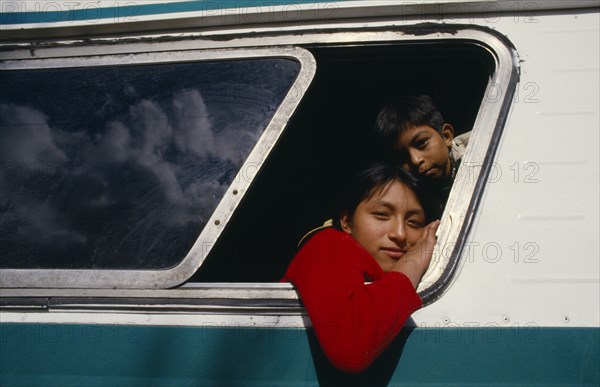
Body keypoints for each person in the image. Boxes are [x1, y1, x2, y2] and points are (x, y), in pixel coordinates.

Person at [282, 163, 440, 373]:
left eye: (414, 222)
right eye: (382, 215)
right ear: (346, 222)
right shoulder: (328, 244)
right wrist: (413, 262)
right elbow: (350, 346)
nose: (400, 234)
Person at [375, 95, 470, 209]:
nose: (415, 160)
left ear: (446, 136)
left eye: (421, 143)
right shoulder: (412, 200)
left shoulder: (485, 150)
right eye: (402, 157)